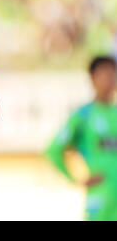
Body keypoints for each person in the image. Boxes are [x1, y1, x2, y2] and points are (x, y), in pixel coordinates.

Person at [45, 55, 117, 221]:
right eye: (104, 73)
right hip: (101, 200)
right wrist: (76, 178)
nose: (110, 78)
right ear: (92, 78)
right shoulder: (84, 115)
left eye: (113, 73)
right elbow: (53, 150)